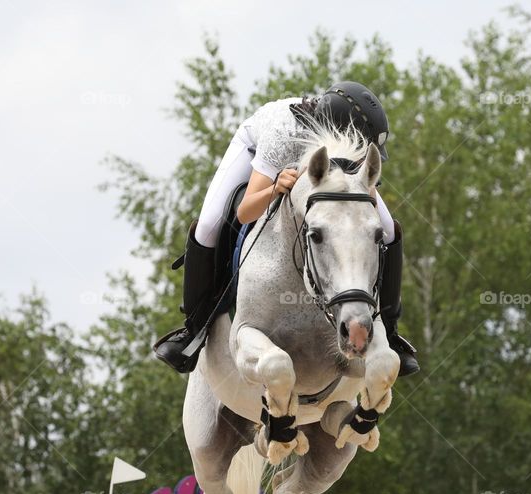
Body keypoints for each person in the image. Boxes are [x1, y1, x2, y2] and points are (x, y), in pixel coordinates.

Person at [154, 81, 419, 377]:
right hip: (260, 145)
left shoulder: (352, 146)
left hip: (327, 157)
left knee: (388, 229)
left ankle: (390, 332)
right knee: (208, 225)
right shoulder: (282, 134)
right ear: (342, 133)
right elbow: (244, 213)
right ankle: (195, 327)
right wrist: (275, 189)